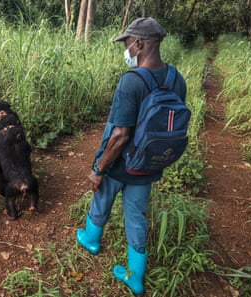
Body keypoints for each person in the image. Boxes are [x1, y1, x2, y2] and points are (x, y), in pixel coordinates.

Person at [76, 17, 187, 295]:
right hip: (148, 165)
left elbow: (119, 136)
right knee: (136, 215)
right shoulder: (177, 79)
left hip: (120, 164)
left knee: (101, 197)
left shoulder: (131, 82)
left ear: (139, 44)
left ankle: (91, 240)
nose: (126, 49)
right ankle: (134, 276)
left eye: (127, 43)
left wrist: (99, 168)